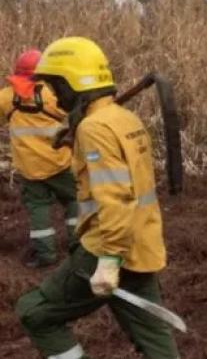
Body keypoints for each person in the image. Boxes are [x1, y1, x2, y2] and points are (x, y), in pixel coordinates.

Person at [15, 37, 179, 359]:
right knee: (156, 343)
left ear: (72, 83)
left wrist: (109, 260)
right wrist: (76, 135)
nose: (54, 96)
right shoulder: (123, 119)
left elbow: (115, 196)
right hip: (141, 244)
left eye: (56, 85)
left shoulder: (95, 129)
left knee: (34, 313)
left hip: (105, 248)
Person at [0, 48, 77, 268]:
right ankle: (78, 245)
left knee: (38, 209)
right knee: (74, 200)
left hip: (29, 168)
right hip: (59, 163)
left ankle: (45, 255)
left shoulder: (6, 97)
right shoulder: (52, 95)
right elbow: (72, 114)